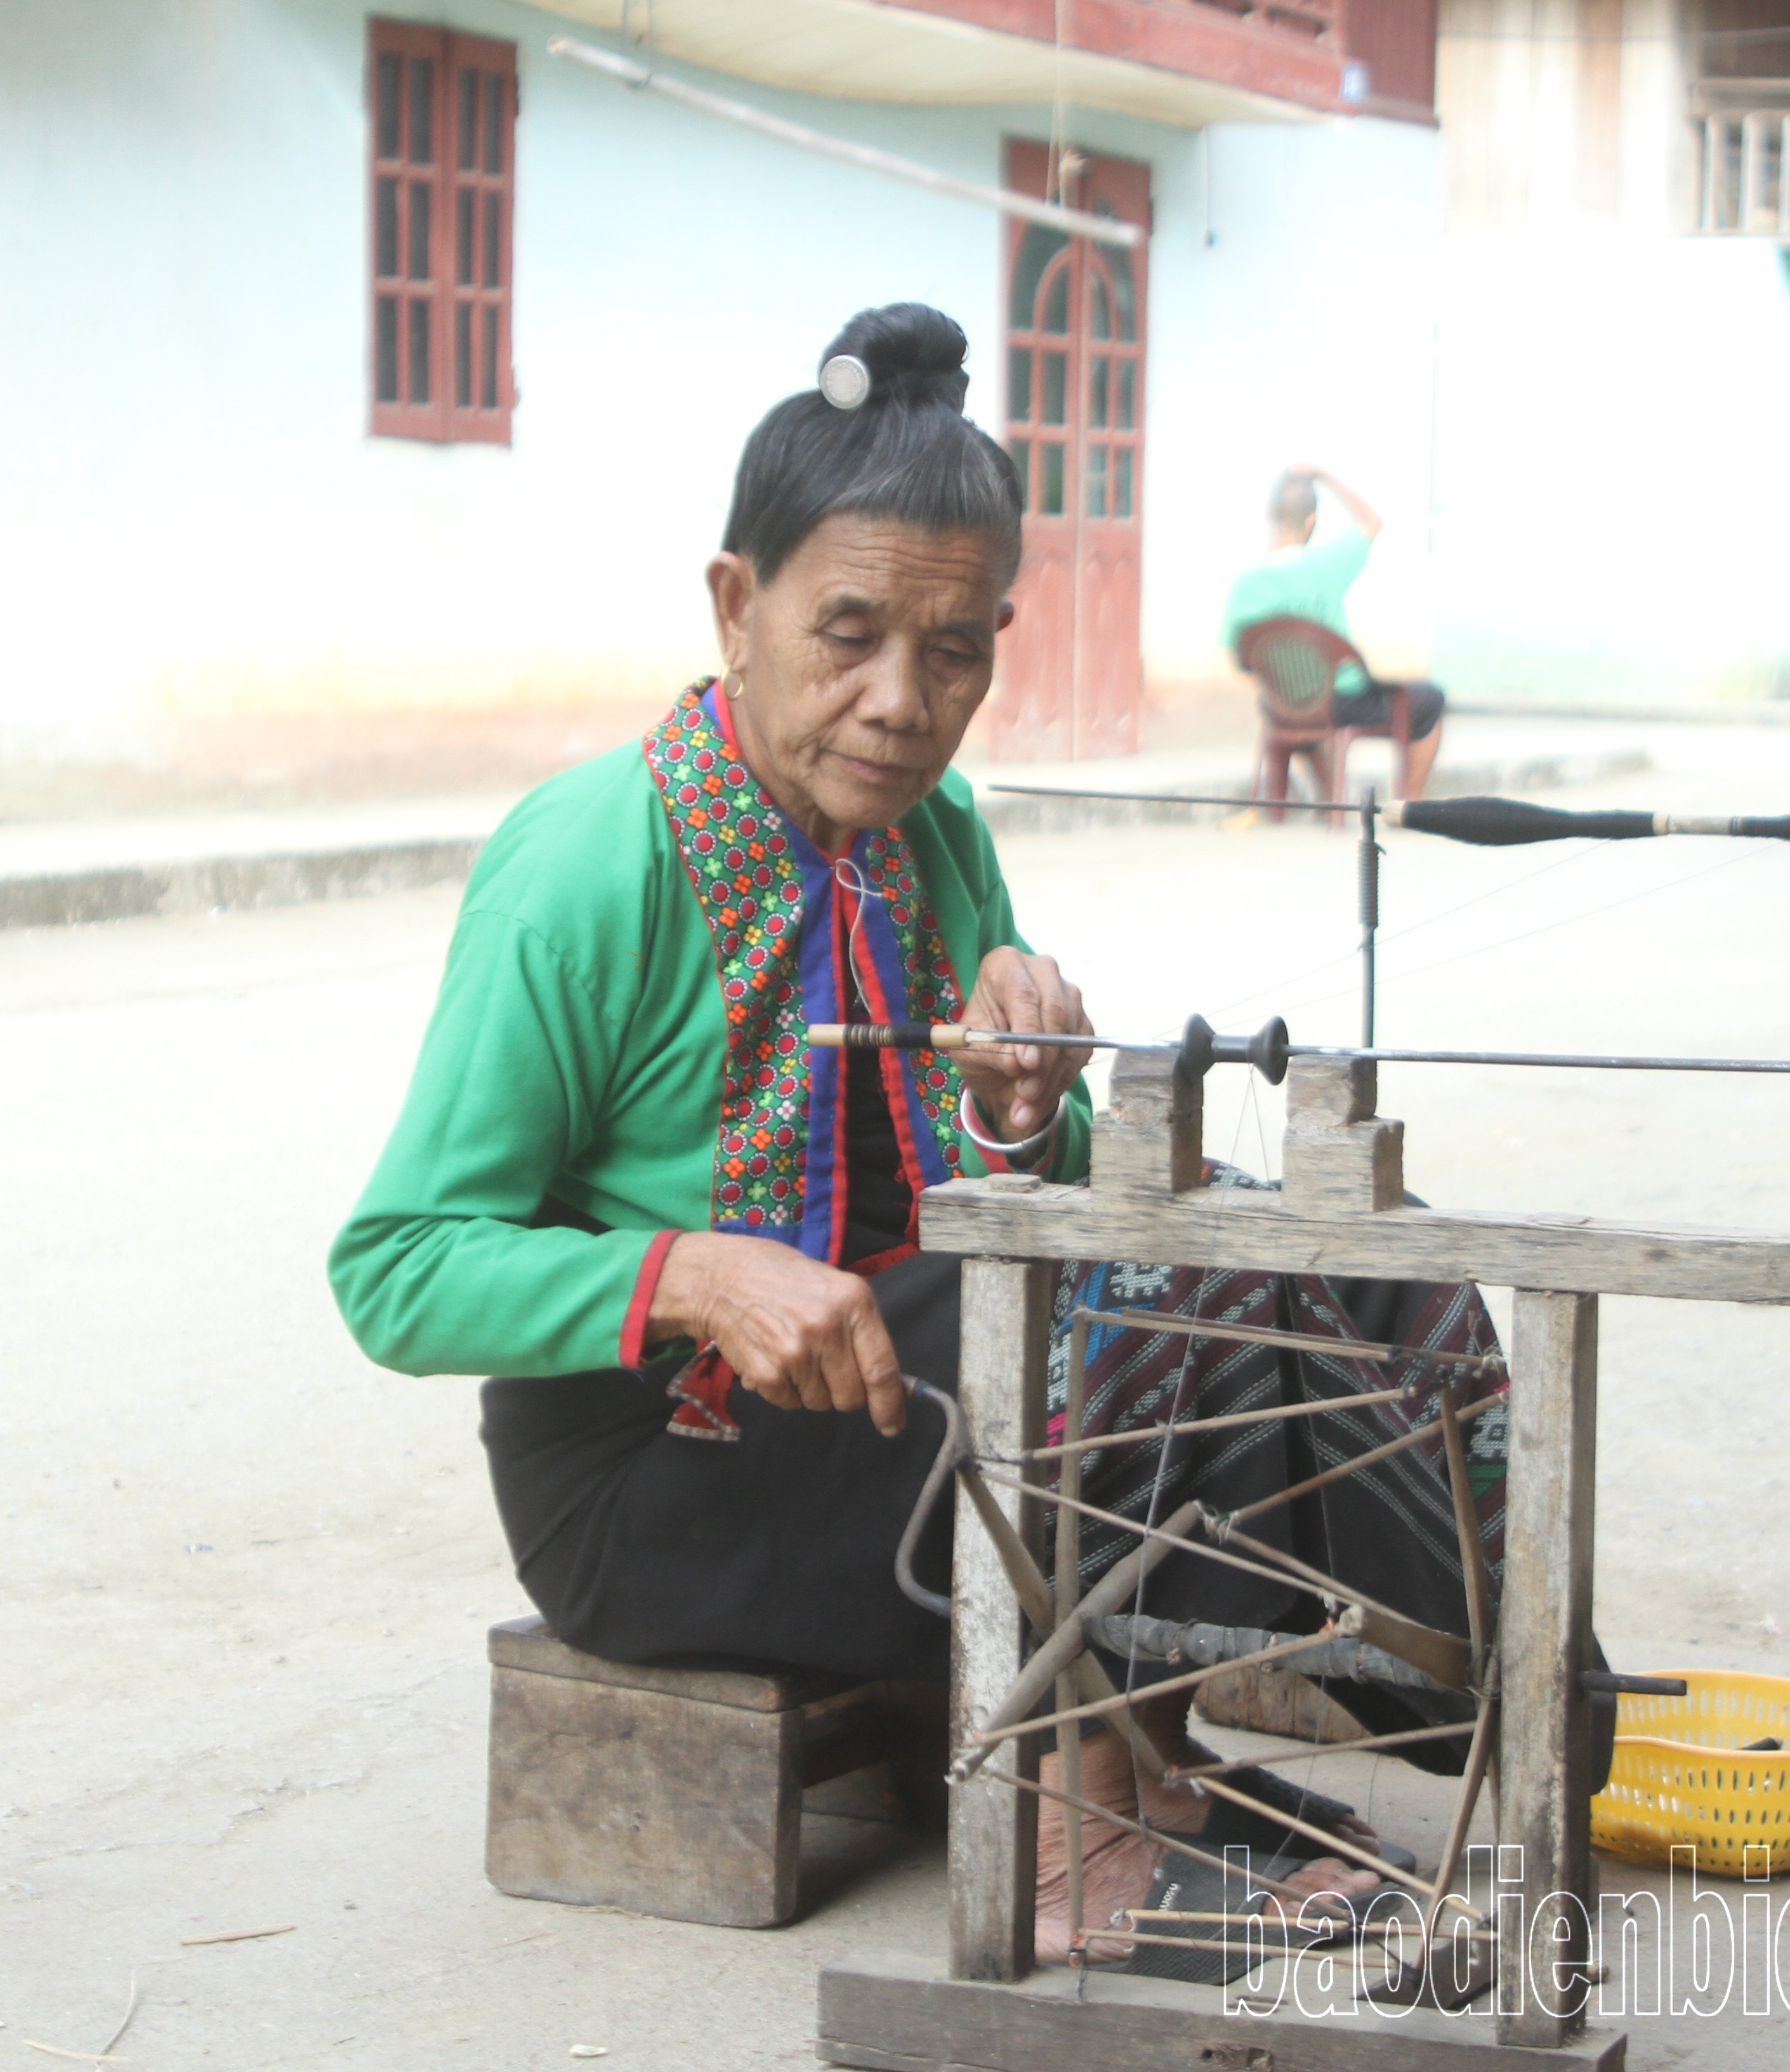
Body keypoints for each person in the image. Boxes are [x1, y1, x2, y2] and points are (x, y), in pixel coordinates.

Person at [331, 306, 1508, 1974]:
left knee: (1339, 1268)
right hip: (658, 1478)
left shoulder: (934, 831)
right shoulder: (586, 864)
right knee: (1091, 1323)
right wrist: (693, 1274)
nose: (900, 703)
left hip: (901, 1400)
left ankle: (1492, 1723)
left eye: (956, 652)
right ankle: (1075, 1835)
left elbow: (1030, 1180)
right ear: (738, 608)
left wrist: (1017, 1108)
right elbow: (395, 1270)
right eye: (851, 634)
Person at [1219, 466, 1447, 763]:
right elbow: (1372, 521)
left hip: (1283, 706)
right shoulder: (1328, 563)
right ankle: (1407, 807)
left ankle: (1330, 806)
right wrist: (1326, 476)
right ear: (1312, 522)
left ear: (1268, 513)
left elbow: (1237, 661)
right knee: (1431, 699)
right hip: (1345, 703)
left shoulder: (1245, 586)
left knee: (1299, 708)